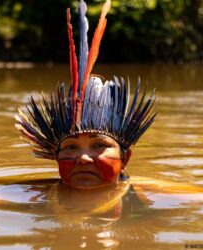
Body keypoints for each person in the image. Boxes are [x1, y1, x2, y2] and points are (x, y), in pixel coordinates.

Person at [15, 0, 156, 190]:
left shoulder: (155, 193)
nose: (83, 158)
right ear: (56, 158)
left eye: (99, 145)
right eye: (70, 147)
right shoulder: (27, 194)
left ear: (125, 158)